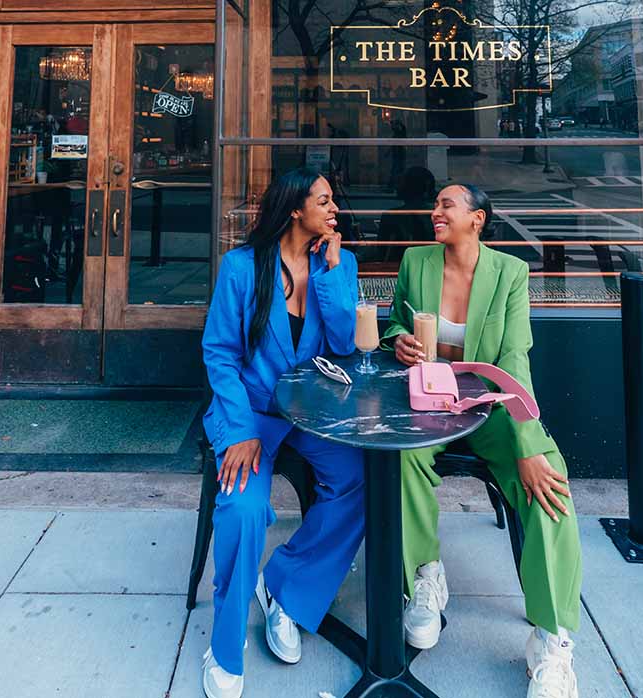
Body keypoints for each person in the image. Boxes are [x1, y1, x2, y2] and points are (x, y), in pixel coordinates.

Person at [381, 184, 582, 698]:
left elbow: (514, 358)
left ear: (477, 218)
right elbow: (398, 323)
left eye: (447, 205)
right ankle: (425, 576)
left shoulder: (509, 273)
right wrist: (398, 338)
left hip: (487, 406)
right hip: (425, 400)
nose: (435, 213)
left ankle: (552, 637)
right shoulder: (416, 262)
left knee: (549, 484)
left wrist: (529, 444)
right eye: (435, 205)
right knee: (399, 458)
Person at [201, 168, 365, 698]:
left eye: (333, 199)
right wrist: (240, 431)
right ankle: (225, 648)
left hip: (311, 414)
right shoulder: (242, 268)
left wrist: (333, 273)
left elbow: (343, 344)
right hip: (248, 412)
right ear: (296, 208)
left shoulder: (337, 263)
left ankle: (286, 589)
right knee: (244, 508)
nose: (334, 207)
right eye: (324, 199)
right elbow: (220, 353)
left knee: (361, 482)